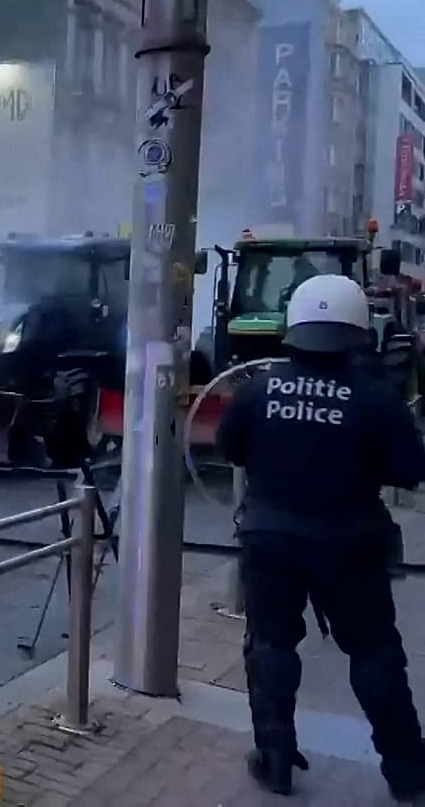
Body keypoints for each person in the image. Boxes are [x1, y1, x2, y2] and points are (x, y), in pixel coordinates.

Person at [217, 274, 425, 799]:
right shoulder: (378, 400)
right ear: (359, 329)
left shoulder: (257, 388)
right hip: (350, 543)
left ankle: (276, 760)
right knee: (375, 654)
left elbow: (232, 450)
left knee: (270, 648)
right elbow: (409, 470)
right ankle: (407, 773)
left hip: (269, 539)